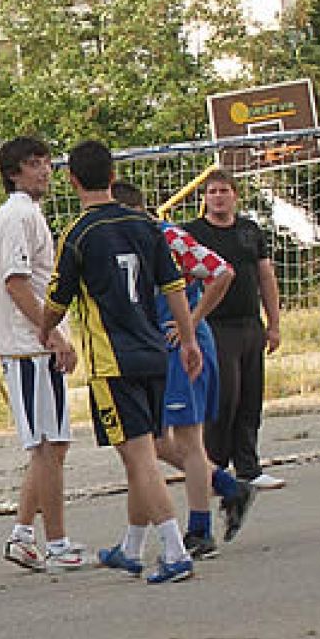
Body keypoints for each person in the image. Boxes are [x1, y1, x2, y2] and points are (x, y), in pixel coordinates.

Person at [39, 140, 200, 584]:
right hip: (153, 353)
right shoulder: (147, 225)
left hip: (113, 362)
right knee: (139, 456)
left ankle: (174, 550)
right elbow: (174, 288)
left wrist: (46, 328)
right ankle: (131, 546)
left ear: (73, 181)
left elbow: (58, 297)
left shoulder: (79, 233)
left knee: (140, 456)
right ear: (113, 176)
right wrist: (188, 341)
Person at [111, 182, 257, 555]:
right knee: (155, 442)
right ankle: (226, 485)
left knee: (189, 439)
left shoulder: (168, 237)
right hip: (153, 349)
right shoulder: (123, 245)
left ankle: (199, 529)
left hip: (182, 346)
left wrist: (190, 321)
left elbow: (221, 272)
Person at [0, 137, 84, 572]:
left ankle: (23, 534)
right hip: (28, 350)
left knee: (54, 444)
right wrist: (51, 335)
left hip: (38, 346)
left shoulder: (31, 213)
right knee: (46, 444)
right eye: (32, 164)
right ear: (13, 173)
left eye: (46, 162)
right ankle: (57, 543)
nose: (43, 170)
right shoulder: (18, 215)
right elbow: (17, 282)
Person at [184, 170, 286, 490]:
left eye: (224, 190)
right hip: (214, 327)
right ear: (204, 197)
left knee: (250, 397)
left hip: (249, 324)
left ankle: (249, 467)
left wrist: (274, 324)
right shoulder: (192, 233)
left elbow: (266, 276)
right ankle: (215, 468)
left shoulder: (250, 231)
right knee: (225, 396)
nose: (218, 196)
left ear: (235, 195)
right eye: (212, 191)